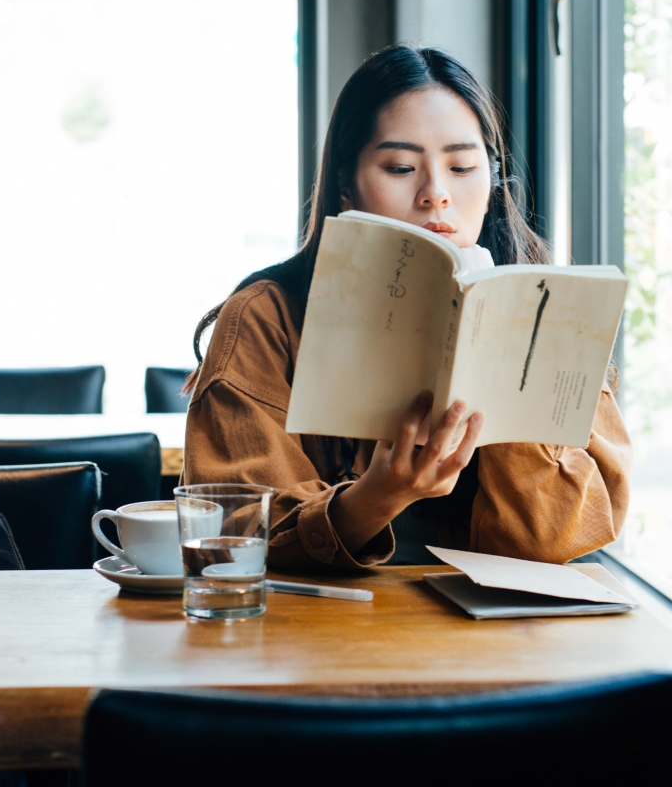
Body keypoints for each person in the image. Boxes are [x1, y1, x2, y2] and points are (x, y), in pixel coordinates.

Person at [180, 44, 630, 570]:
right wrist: (375, 498)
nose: (436, 194)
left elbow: (564, 538)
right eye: (399, 167)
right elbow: (232, 532)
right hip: (326, 635)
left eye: (463, 166)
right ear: (346, 184)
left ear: (492, 182)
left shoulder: (550, 310)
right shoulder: (267, 316)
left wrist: (504, 343)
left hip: (504, 642)